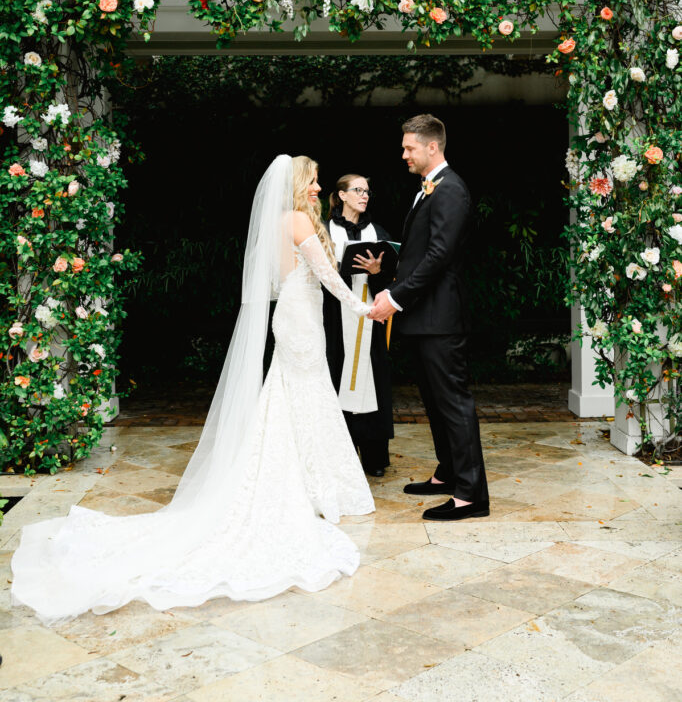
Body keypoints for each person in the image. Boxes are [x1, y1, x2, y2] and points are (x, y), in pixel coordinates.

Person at [11, 155, 375, 624]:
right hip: (302, 322)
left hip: (292, 317)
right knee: (306, 396)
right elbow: (328, 279)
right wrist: (366, 310)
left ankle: (313, 482)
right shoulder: (301, 222)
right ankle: (320, 487)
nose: (317, 186)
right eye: (314, 180)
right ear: (298, 183)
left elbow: (278, 282)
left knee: (289, 398)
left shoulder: (283, 222)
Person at [369, 114, 489, 522]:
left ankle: (471, 495)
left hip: (440, 319)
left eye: (409, 148)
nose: (403, 154)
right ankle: (449, 473)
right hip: (424, 318)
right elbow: (422, 251)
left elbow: (440, 256)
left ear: (432, 147)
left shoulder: (451, 189)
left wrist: (396, 298)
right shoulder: (428, 189)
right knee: (436, 404)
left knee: (454, 404)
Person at [323, 173, 394, 477]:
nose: (364, 195)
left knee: (371, 380)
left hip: (369, 316)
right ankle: (341, 454)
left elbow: (391, 274)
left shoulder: (376, 230)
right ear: (341, 195)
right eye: (358, 190)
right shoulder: (325, 230)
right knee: (337, 375)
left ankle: (375, 457)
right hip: (334, 317)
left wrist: (377, 270)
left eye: (367, 191)